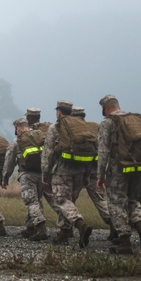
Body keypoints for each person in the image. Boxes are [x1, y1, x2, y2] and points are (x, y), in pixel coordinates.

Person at [96, 95, 141, 255]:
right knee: (133, 200)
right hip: (136, 167)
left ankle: (124, 241)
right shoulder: (134, 120)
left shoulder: (108, 122)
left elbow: (103, 151)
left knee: (116, 203)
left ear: (106, 108)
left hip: (117, 169)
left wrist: (100, 176)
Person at [41, 101, 94, 246]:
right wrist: (87, 175)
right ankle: (64, 232)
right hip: (81, 170)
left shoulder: (56, 127)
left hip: (62, 170)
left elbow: (49, 152)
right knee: (69, 202)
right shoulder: (81, 126)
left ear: (58, 112)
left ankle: (80, 224)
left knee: (62, 201)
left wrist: (45, 172)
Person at [2, 118, 48, 240]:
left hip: (27, 175)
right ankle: (30, 228)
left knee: (31, 201)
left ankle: (40, 227)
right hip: (42, 174)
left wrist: (5, 177)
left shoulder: (16, 141)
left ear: (18, 128)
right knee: (37, 200)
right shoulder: (40, 137)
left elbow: (9, 162)